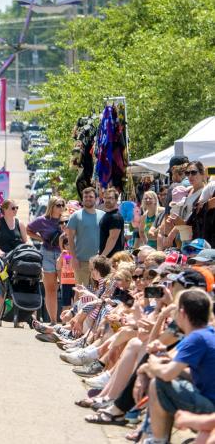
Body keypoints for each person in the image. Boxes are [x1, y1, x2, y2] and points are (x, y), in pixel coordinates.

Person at [139, 288, 215, 444]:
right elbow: (190, 374)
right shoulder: (207, 333)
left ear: (182, 313)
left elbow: (167, 374)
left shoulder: (196, 337)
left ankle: (158, 440)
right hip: (209, 403)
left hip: (210, 409)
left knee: (158, 384)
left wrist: (150, 365)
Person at [0, 198, 30, 326]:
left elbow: (25, 240)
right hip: (1, 259)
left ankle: (18, 318)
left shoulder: (19, 223)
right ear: (4, 209)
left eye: (16, 208)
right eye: (13, 208)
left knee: (17, 287)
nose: (15, 210)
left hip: (16, 259)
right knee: (3, 287)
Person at [27, 196, 66, 322]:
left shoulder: (66, 219)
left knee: (66, 287)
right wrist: (40, 238)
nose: (60, 208)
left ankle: (67, 321)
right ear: (52, 206)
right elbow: (28, 229)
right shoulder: (42, 220)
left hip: (65, 254)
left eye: (62, 205)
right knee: (50, 289)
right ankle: (53, 320)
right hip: (47, 253)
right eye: (58, 205)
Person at [66, 187, 104, 287]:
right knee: (82, 293)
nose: (88, 198)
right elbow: (70, 239)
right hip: (81, 262)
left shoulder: (103, 215)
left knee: (98, 293)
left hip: (98, 262)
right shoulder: (75, 216)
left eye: (91, 196)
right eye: (85, 196)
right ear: (82, 199)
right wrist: (73, 258)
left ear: (96, 199)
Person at [99, 187, 126, 257]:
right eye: (105, 198)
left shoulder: (115, 217)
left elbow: (112, 238)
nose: (107, 200)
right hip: (107, 257)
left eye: (110, 198)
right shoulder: (107, 215)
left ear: (116, 200)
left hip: (113, 258)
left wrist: (102, 256)